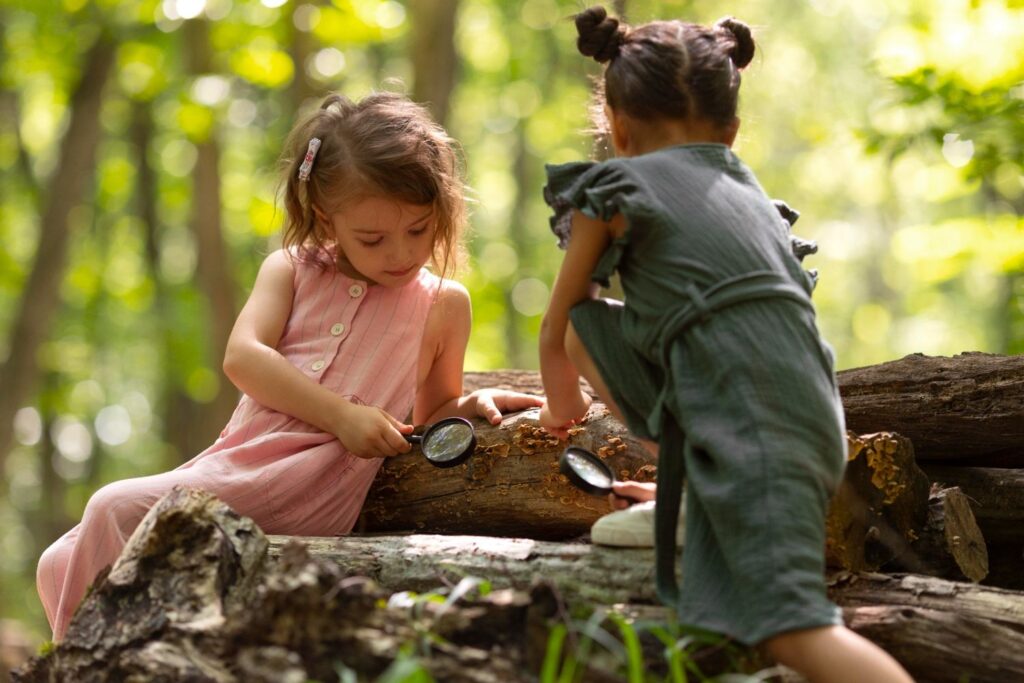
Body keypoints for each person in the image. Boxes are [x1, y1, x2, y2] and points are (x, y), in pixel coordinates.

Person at [37, 92, 543, 642]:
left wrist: (469, 404)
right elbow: (243, 357)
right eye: (372, 238)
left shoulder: (444, 304)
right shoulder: (292, 270)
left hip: (309, 484)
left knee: (112, 506)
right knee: (55, 563)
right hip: (238, 462)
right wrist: (342, 414)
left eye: (418, 231)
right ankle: (112, 659)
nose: (400, 253)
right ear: (327, 216)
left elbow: (431, 409)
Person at [537, 7, 914, 683]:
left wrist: (558, 413)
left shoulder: (615, 187)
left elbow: (561, 321)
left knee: (795, 626)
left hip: (754, 421)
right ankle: (698, 500)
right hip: (807, 408)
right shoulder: (746, 190)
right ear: (731, 132)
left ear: (616, 127)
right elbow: (735, 336)